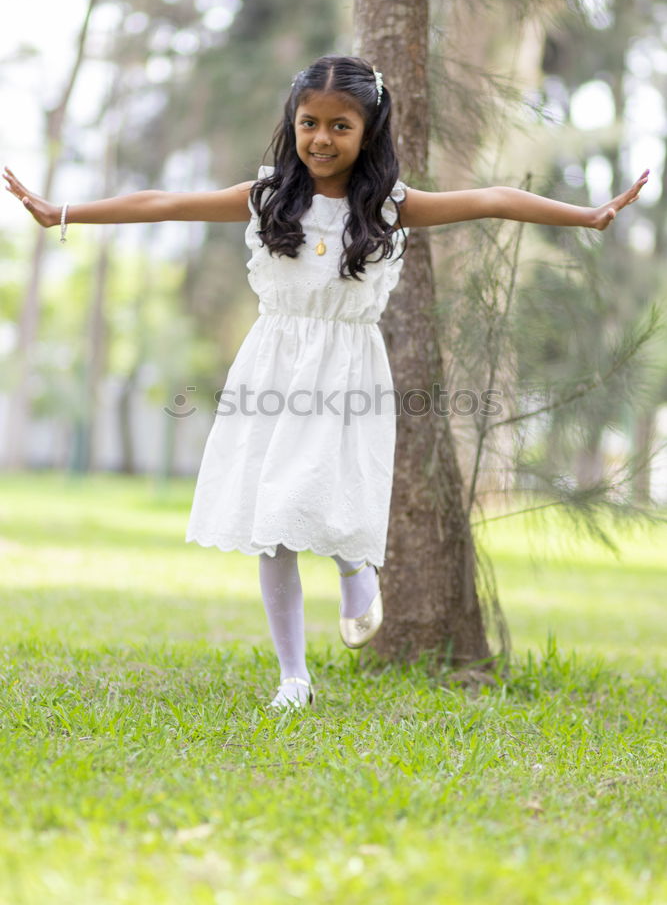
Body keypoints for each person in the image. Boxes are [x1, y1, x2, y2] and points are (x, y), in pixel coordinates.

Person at [3, 55, 649, 711]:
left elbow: (492, 200)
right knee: (272, 520)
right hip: (273, 366)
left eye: (340, 126)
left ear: (368, 132)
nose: (320, 138)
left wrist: (586, 216)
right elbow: (164, 202)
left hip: (348, 373)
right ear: (292, 123)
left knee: (324, 489)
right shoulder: (264, 199)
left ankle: (353, 568)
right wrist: (62, 211)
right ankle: (293, 677)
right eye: (308, 122)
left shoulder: (391, 209)